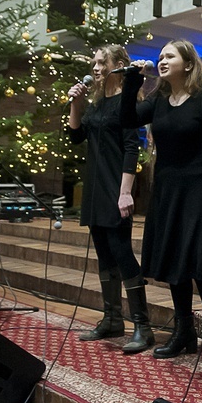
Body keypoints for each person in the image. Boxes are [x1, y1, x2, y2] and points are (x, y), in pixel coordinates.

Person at [119, 40, 202, 373]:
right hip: (167, 190)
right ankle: (184, 331)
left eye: (169, 56)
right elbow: (127, 119)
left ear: (187, 63)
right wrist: (132, 82)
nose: (162, 60)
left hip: (199, 188)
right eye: (161, 56)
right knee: (174, 262)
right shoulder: (158, 100)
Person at [67, 45, 154, 354]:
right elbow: (76, 136)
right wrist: (76, 104)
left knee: (121, 252)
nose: (96, 67)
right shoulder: (96, 104)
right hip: (94, 188)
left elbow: (133, 148)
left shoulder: (125, 103)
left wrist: (125, 191)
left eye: (102, 62)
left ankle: (143, 327)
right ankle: (112, 319)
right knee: (104, 254)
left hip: (115, 188)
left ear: (118, 66)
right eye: (94, 62)